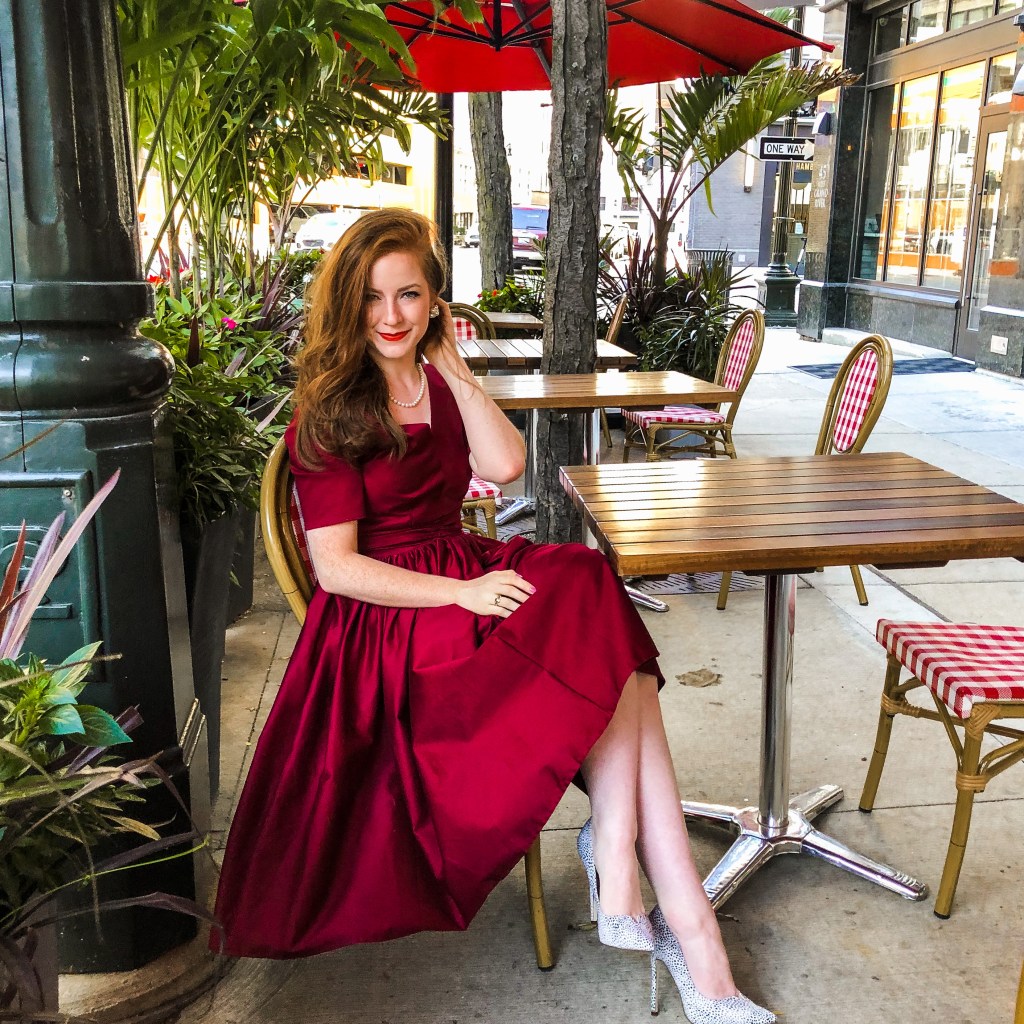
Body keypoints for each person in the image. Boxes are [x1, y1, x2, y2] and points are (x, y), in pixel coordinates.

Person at [212, 209, 775, 1024]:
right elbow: (336, 569)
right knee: (603, 631)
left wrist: (455, 367)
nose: (392, 315)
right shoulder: (329, 411)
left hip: (458, 570)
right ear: (347, 304)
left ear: (435, 301)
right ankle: (676, 921)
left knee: (588, 586)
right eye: (372, 298)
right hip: (391, 620)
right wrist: (462, 595)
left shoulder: (435, 381)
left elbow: (507, 465)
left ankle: (643, 879)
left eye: (411, 295)